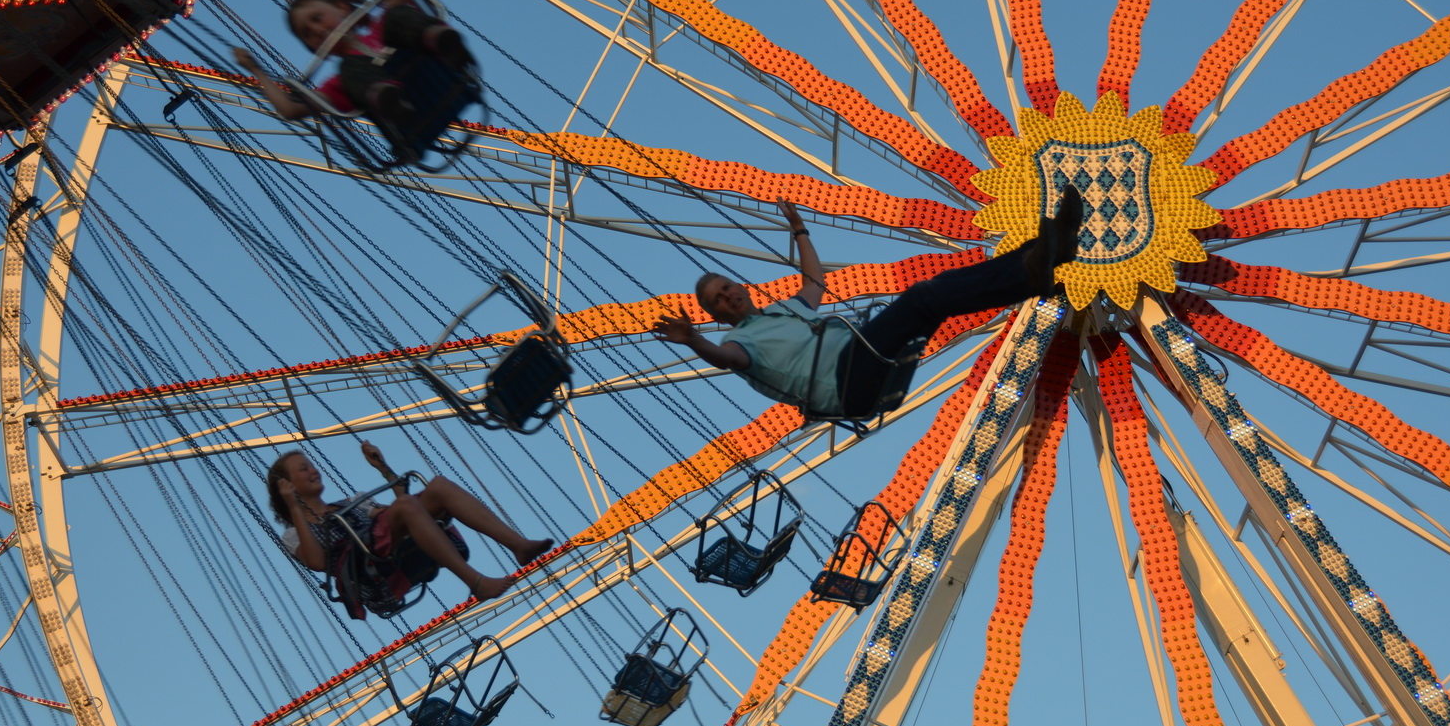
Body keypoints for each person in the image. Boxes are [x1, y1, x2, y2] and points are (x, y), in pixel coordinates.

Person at [654, 192, 1085, 420]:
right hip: (844, 382)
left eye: (727, 286)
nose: (728, 295)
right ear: (716, 314)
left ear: (739, 287)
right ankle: (1033, 269)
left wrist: (800, 230)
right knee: (923, 297)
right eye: (718, 299)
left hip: (861, 357)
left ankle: (1046, 255)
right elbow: (727, 359)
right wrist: (693, 341)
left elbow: (814, 283)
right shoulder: (738, 341)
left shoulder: (784, 310)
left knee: (932, 296)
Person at [231, 0, 476, 163]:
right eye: (307, 33)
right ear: (317, 51)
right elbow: (290, 110)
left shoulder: (383, 24)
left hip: (442, 73)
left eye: (317, 18)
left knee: (396, 15)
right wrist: (256, 70)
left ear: (343, 8)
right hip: (410, 116)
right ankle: (386, 97)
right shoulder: (341, 80)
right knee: (351, 68)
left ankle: (440, 41)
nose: (316, 29)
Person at [267, 441, 553, 607]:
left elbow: (407, 509)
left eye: (311, 464)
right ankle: (475, 581)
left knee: (438, 486)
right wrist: (294, 507)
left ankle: (518, 545)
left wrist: (383, 469)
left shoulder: (352, 502)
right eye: (303, 469)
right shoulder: (294, 535)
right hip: (368, 574)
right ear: (288, 485)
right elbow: (317, 562)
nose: (313, 470)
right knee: (404, 507)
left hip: (388, 549)